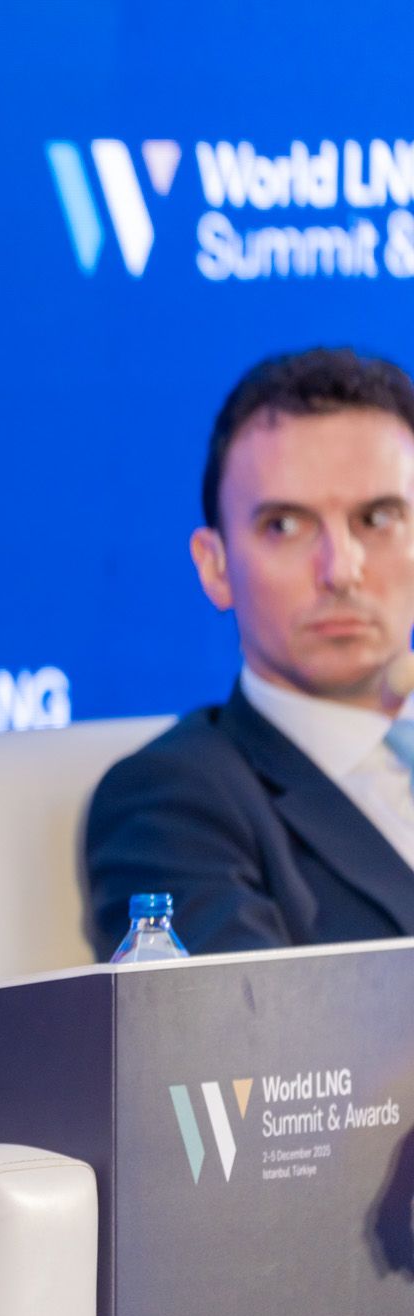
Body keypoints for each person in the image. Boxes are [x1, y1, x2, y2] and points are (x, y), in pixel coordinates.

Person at [87, 346, 414, 956]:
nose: (340, 570)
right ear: (215, 566)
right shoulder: (172, 803)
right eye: (285, 526)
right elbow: (248, 1019)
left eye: (377, 518)